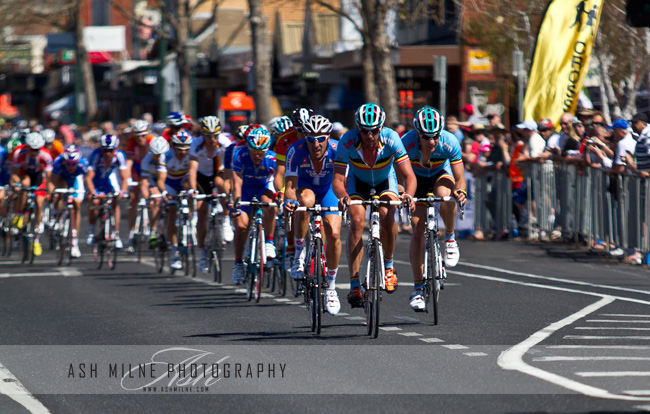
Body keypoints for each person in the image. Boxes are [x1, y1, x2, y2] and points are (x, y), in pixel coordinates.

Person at [332, 103, 416, 307]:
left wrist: (410, 196)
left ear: (381, 128)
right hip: (357, 181)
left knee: (388, 214)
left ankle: (388, 266)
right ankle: (354, 283)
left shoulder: (391, 138)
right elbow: (337, 179)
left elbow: (409, 175)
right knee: (357, 221)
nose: (369, 136)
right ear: (357, 129)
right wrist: (343, 196)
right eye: (364, 131)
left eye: (373, 131)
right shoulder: (348, 140)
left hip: (385, 180)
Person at [401, 106, 467, 311]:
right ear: (417, 134)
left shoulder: (449, 142)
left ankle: (449, 237)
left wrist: (461, 193)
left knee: (446, 196)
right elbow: (399, 177)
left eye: (435, 136)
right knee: (418, 233)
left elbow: (460, 179)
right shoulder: (406, 143)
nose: (432, 141)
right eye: (427, 137)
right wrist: (404, 194)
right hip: (416, 180)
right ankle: (418, 288)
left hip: (440, 175)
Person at [283, 115, 342, 314]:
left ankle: (332, 287)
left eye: (320, 138)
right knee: (304, 203)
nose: (316, 144)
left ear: (328, 137)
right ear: (305, 138)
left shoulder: (338, 149)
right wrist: (290, 201)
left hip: (329, 190)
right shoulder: (295, 150)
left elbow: (344, 181)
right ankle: (299, 254)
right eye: (311, 139)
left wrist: (346, 199)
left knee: (333, 233)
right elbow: (290, 186)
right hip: (305, 188)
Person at [230, 127, 278, 284]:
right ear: (248, 148)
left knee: (271, 205)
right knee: (241, 226)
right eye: (254, 152)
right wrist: (236, 202)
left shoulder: (272, 158)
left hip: (263, 188)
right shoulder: (240, 155)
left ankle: (269, 242)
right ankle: (238, 263)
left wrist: (280, 196)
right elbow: (237, 182)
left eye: (261, 152)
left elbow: (277, 181)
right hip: (245, 190)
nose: (258, 155)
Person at [188, 116, 234, 274]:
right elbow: (192, 170)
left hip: (219, 172)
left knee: (222, 185)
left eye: (215, 135)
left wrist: (230, 191)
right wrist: (193, 189)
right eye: (208, 136)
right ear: (203, 134)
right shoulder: (196, 144)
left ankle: (226, 220)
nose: (212, 139)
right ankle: (201, 251)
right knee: (201, 211)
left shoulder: (225, 143)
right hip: (201, 176)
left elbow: (230, 171)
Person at [274, 108, 312, 269]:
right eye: (298, 130)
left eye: (305, 130)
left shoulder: (316, 137)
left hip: (311, 176)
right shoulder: (284, 139)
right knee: (291, 209)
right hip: (292, 176)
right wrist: (281, 193)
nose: (302, 134)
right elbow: (280, 173)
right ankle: (291, 248)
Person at [10, 132, 53, 256]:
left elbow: (48, 177)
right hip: (24, 174)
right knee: (25, 185)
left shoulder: (46, 155)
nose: (34, 152)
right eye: (32, 149)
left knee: (39, 203)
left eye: (37, 150)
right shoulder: (19, 153)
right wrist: (15, 184)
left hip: (38, 176)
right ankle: (19, 214)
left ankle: (36, 236)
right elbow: (14, 173)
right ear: (27, 147)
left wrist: (49, 189)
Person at [85, 134, 130, 249]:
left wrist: (123, 191)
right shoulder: (96, 155)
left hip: (108, 181)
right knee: (93, 202)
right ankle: (91, 231)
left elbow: (124, 177)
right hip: (95, 181)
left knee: (115, 203)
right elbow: (89, 178)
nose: (107, 154)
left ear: (115, 149)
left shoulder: (120, 156)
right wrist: (94, 193)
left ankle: (116, 234)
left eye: (110, 150)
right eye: (105, 150)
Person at [48, 145, 88, 258]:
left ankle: (74, 239)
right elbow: (53, 181)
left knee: (77, 203)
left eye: (73, 164)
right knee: (58, 193)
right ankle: (56, 214)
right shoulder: (58, 162)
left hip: (75, 179)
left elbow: (88, 179)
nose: (71, 166)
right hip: (62, 178)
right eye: (68, 164)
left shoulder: (83, 164)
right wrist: (53, 193)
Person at [163, 130, 194, 270]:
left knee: (192, 191)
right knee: (172, 211)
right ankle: (174, 249)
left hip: (185, 182)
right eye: (179, 149)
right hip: (170, 184)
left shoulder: (193, 155)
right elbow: (161, 178)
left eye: (186, 149)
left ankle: (192, 220)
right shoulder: (167, 156)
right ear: (173, 147)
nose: (183, 152)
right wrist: (164, 193)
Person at [125, 119, 155, 252]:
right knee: (133, 200)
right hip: (137, 169)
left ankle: (153, 230)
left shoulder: (153, 141)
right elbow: (128, 164)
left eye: (143, 135)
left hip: (150, 168)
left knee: (154, 199)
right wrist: (126, 181)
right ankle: (132, 234)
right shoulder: (131, 143)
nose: (140, 139)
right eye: (137, 136)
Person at [139, 136, 170, 243]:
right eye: (156, 155)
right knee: (155, 201)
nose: (158, 158)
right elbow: (144, 182)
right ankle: (153, 230)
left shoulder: (170, 157)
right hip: (153, 181)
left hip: (167, 179)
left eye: (161, 155)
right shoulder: (147, 160)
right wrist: (148, 197)